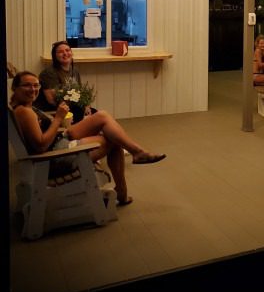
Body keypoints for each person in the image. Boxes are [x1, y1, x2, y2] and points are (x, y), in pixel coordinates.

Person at [10, 71, 167, 205]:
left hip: (58, 140)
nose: (33, 89)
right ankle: (123, 189)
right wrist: (58, 119)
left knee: (102, 116)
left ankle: (137, 153)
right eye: (27, 85)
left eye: (36, 85)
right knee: (113, 140)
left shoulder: (22, 107)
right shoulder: (24, 112)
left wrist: (54, 123)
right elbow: (41, 145)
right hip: (55, 157)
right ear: (14, 88)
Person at [36, 41, 94, 123]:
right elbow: (52, 100)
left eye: (67, 50)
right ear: (54, 56)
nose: (65, 53)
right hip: (55, 112)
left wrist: (86, 105)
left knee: (97, 114)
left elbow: (80, 92)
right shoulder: (49, 73)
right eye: (60, 52)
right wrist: (80, 108)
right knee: (96, 120)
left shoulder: (74, 71)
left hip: (74, 108)